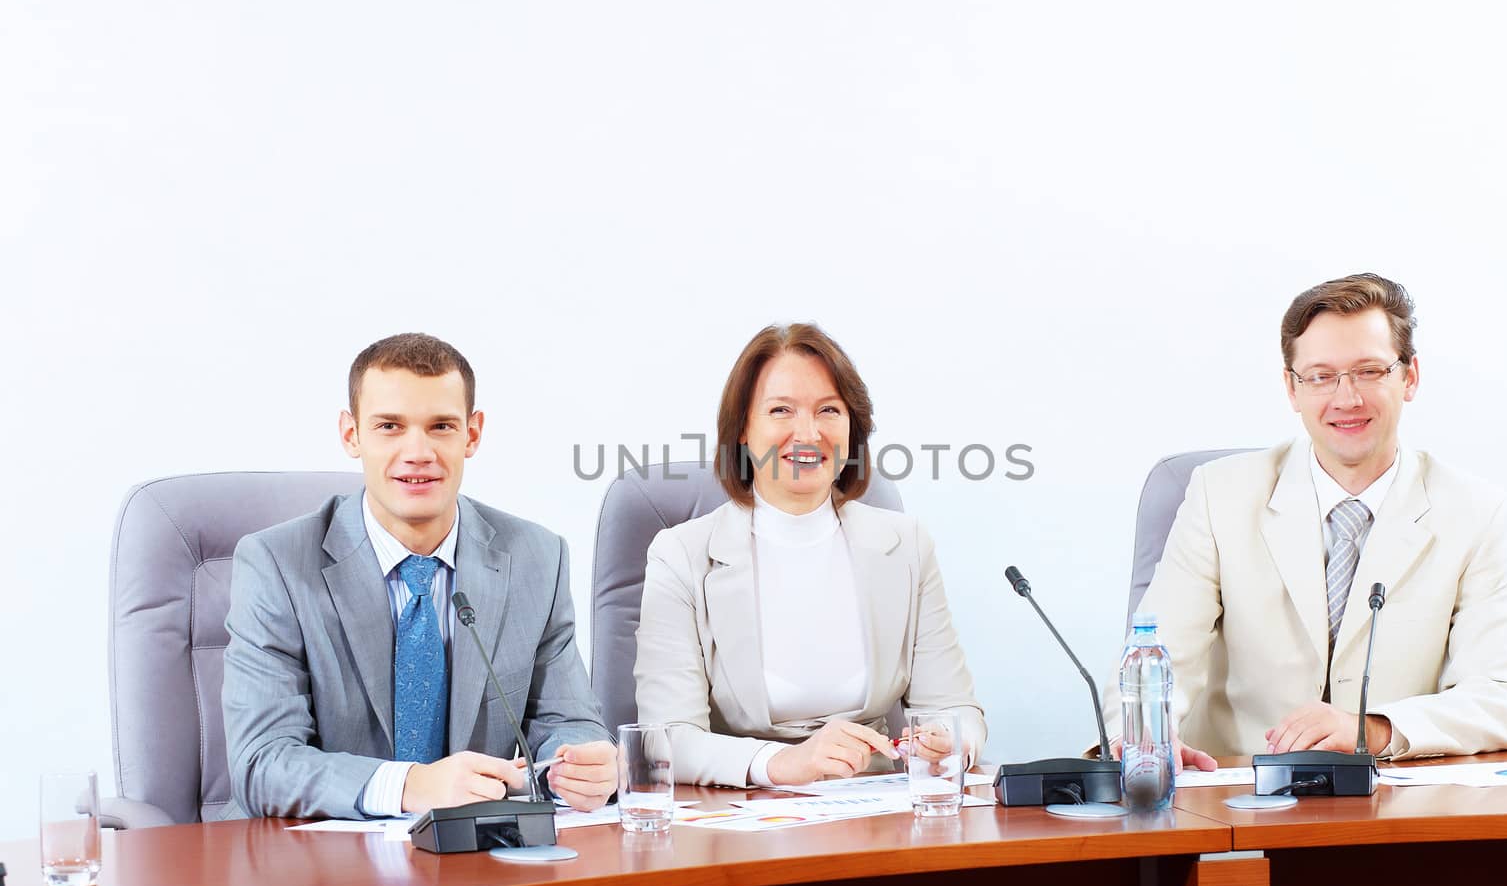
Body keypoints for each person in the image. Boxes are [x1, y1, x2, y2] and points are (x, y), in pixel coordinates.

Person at [1104, 274, 1507, 763]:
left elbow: (1502, 698)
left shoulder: (1474, 510)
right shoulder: (1218, 494)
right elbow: (1153, 660)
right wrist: (1143, 743)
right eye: (1321, 376)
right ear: (1292, 387)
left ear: (1409, 377)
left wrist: (1371, 729)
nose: (1346, 398)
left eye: (1369, 371)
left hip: (1391, 806)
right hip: (1240, 796)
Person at [222, 333, 616, 819]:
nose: (418, 451)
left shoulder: (536, 557)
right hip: (317, 869)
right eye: (389, 426)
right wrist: (412, 786)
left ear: (472, 435)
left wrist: (581, 764)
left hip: (482, 863)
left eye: (441, 426)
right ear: (352, 435)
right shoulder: (276, 564)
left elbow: (570, 721)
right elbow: (262, 762)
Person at [633, 323, 986, 787]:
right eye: (781, 410)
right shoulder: (681, 555)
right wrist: (781, 764)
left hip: (878, 804)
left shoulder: (906, 545)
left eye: (828, 410)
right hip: (740, 811)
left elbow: (957, 709)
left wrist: (950, 741)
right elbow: (666, 738)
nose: (807, 432)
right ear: (742, 429)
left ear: (851, 428)